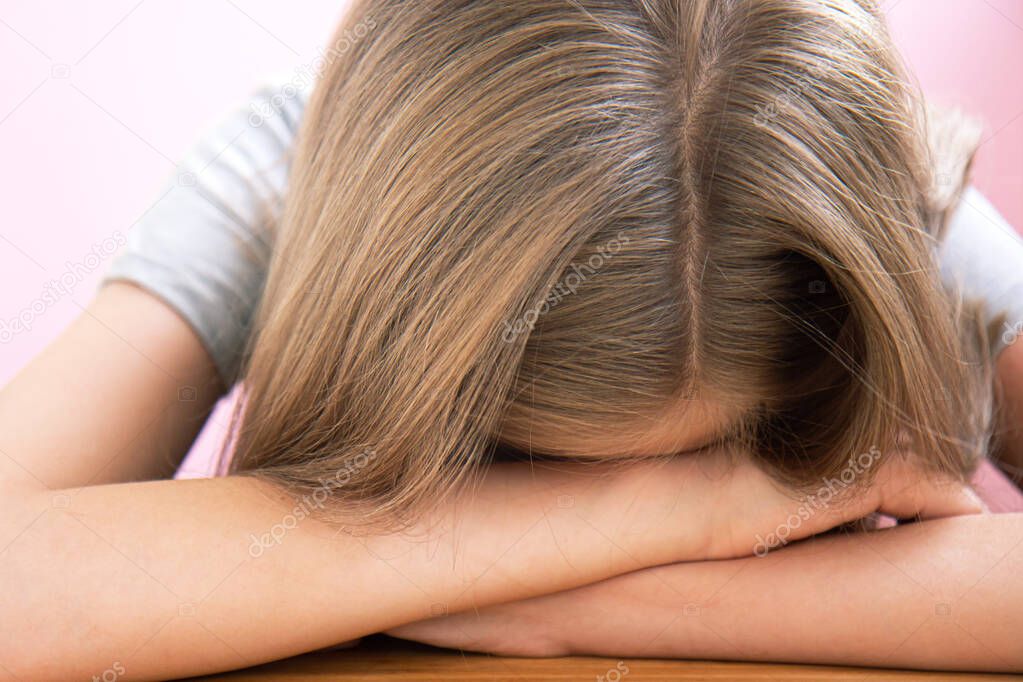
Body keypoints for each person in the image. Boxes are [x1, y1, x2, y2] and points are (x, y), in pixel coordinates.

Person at [3, 1, 1023, 678]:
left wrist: (593, 607)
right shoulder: (284, 174)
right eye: (532, 465)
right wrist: (691, 503)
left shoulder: (868, 214)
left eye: (705, 453)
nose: (627, 507)